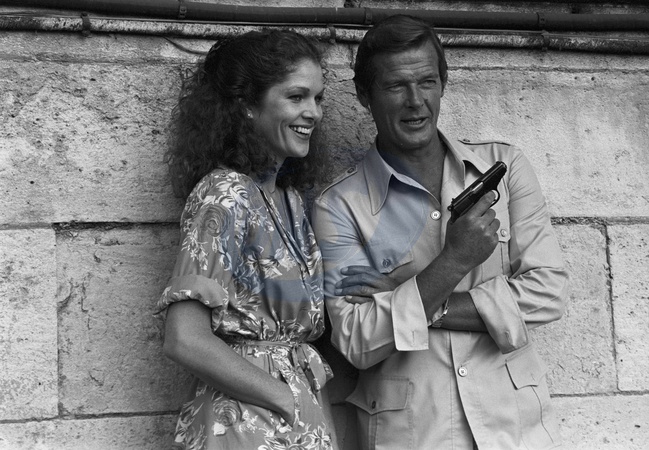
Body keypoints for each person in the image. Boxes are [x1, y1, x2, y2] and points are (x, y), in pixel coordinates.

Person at [312, 15, 570, 450]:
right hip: (414, 435)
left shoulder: (504, 170)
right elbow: (357, 340)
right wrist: (453, 262)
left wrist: (413, 298)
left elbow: (548, 294)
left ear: (444, 83)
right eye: (396, 86)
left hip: (516, 430)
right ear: (364, 95)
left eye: (427, 82)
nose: (416, 101)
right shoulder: (338, 206)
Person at [156, 29, 337, 449]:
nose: (313, 112)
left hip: (292, 426)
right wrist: (285, 399)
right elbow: (184, 337)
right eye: (296, 97)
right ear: (247, 106)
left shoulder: (288, 199)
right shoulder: (225, 194)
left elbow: (294, 340)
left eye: (318, 98)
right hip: (243, 424)